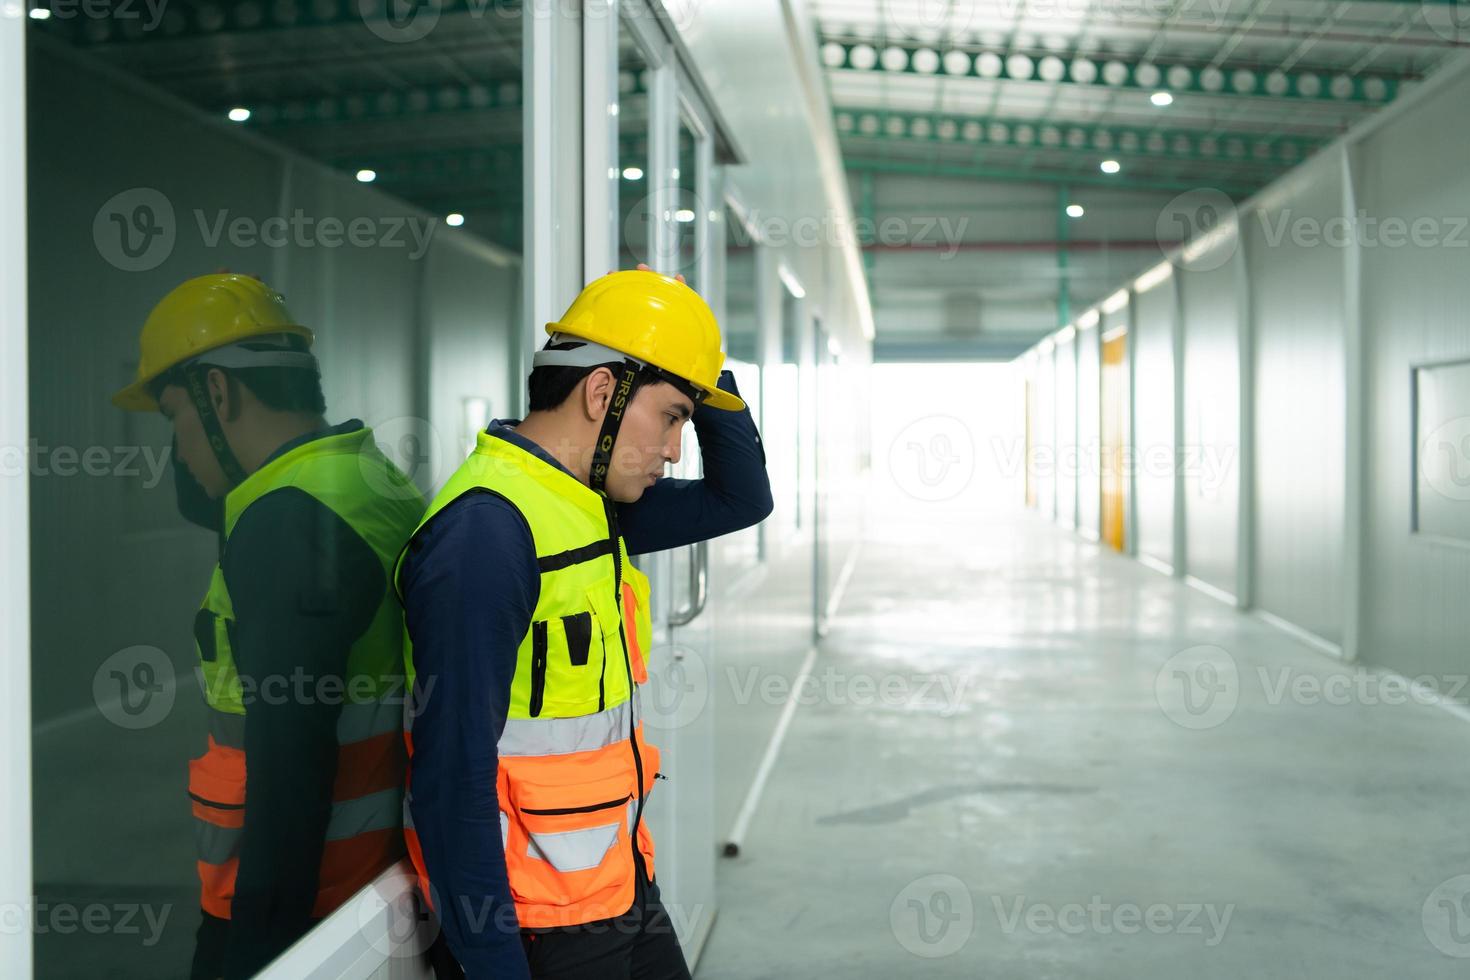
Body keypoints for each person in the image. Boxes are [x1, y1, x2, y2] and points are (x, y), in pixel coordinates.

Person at [394, 269, 773, 979]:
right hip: (540, 930)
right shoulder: (488, 533)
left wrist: (693, 360)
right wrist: (494, 963)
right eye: (671, 418)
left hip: (617, 887)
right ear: (602, 393)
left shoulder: (590, 505)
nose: (672, 450)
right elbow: (450, 778)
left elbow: (742, 497)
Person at [112, 273, 426, 979]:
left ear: (217, 394)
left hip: (301, 909)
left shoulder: (286, 529)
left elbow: (291, 776)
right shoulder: (361, 477)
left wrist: (260, 955)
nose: (177, 451)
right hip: (376, 884)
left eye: (172, 420)